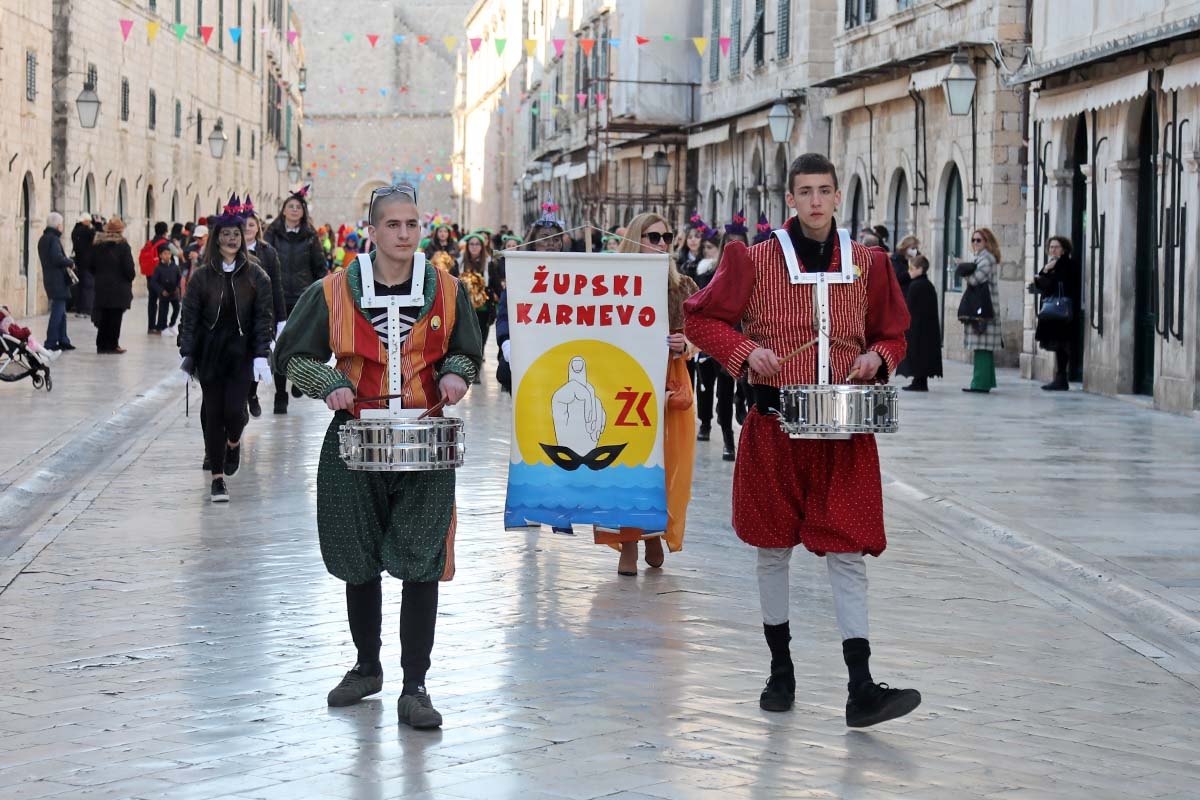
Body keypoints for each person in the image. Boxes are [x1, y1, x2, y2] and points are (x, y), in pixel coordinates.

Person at [684, 152, 920, 728]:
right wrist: (745, 354)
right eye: (805, 191)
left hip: (844, 431)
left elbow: (894, 334)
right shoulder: (754, 260)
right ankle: (780, 672)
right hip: (774, 426)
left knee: (847, 552)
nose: (815, 201)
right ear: (789, 199)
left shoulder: (869, 263)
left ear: (839, 197)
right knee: (772, 549)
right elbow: (699, 319)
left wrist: (877, 357)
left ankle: (861, 686)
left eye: (825, 191)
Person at [272, 184, 482, 730]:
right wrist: (326, 383)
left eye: (412, 224)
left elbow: (467, 349)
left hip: (425, 441)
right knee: (356, 555)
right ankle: (367, 666)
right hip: (354, 441)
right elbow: (291, 355)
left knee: (422, 561)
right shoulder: (333, 291)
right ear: (372, 230)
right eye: (393, 225)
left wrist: (459, 372)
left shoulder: (449, 291)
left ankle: (416, 685)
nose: (405, 234)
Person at [612, 212, 699, 576]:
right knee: (627, 464)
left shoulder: (683, 287)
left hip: (670, 381)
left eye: (666, 237)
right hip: (622, 381)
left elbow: (703, 335)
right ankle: (629, 542)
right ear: (636, 239)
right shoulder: (611, 284)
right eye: (652, 236)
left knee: (668, 463)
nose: (662, 243)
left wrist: (687, 344)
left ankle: (655, 533)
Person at [179, 197, 274, 502]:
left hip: (241, 353)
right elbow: (190, 315)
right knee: (214, 412)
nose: (232, 239)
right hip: (210, 353)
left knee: (235, 411)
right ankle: (217, 478)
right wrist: (187, 351)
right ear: (216, 238)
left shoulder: (256, 275)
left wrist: (262, 353)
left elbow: (263, 317)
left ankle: (234, 442)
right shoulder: (202, 276)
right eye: (226, 234)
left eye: (236, 234)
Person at [265, 188, 328, 414]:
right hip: (277, 296)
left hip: (303, 296)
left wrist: (324, 289)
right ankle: (280, 393)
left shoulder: (310, 237)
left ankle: (299, 381)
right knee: (280, 344)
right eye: (290, 206)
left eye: (297, 207)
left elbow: (319, 266)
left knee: (300, 344)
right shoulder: (271, 234)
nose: (293, 210)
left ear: (303, 212)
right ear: (283, 211)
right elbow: (265, 263)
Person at [494, 210, 568, 393]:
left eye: (556, 238)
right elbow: (504, 315)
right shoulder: (519, 273)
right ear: (534, 243)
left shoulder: (572, 274)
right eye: (544, 238)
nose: (551, 243)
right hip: (526, 353)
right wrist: (507, 343)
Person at [242, 200, 287, 418]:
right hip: (236, 314)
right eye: (242, 225)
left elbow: (276, 286)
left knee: (257, 355)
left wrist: (280, 319)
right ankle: (241, 397)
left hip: (260, 313)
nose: (246, 228)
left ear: (257, 227)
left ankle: (251, 393)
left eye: (251, 225)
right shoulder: (227, 250)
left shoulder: (268, 252)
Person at [1032, 235, 1079, 391]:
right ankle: (1060, 377)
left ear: (1064, 248)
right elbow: (1039, 282)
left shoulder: (1067, 264)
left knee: (1063, 344)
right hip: (1052, 310)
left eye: (1056, 247)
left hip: (1063, 310)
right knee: (1058, 344)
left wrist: (1051, 270)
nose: (1053, 249)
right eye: (1051, 247)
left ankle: (1062, 378)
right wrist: (1046, 269)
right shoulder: (1051, 264)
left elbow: (1062, 282)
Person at [959, 227, 1002, 393]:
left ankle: (979, 383)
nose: (975, 243)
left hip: (984, 310)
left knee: (982, 347)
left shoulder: (986, 258)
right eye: (973, 240)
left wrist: (963, 269)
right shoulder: (979, 258)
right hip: (983, 308)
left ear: (987, 242)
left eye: (979, 240)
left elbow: (976, 279)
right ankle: (986, 381)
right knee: (982, 347)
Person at [895, 255, 942, 391]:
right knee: (921, 355)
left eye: (912, 268)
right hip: (925, 328)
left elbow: (910, 308)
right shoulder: (927, 285)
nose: (909, 271)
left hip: (918, 328)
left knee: (917, 354)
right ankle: (919, 380)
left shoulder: (917, 286)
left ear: (920, 269)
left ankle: (919, 381)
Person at [90, 217, 137, 354]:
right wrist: (130, 277)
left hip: (102, 286)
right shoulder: (123, 246)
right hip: (119, 287)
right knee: (115, 316)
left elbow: (91, 265)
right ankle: (112, 344)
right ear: (120, 231)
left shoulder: (98, 245)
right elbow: (129, 268)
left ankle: (101, 345)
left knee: (104, 315)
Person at [38, 212, 76, 352]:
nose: (63, 227)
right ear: (58, 225)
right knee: (57, 311)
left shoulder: (43, 239)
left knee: (61, 311)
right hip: (57, 280)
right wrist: (70, 262)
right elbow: (57, 258)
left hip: (51, 279)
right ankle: (51, 341)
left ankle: (63, 339)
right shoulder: (53, 239)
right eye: (61, 224)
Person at [456, 233, 494, 359]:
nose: (474, 247)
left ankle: (479, 352)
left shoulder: (489, 263)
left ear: (482, 247)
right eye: (471, 244)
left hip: (483, 307)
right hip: (464, 306)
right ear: (467, 246)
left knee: (482, 331)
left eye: (477, 244)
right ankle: (468, 354)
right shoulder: (460, 262)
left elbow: (495, 283)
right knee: (466, 332)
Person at [140, 222, 171, 334]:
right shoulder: (165, 243)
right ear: (165, 231)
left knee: (152, 300)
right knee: (163, 300)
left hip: (150, 275)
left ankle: (151, 326)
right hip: (162, 276)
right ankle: (160, 325)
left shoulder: (150, 242)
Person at [150, 243, 183, 334]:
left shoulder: (175, 267)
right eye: (165, 253)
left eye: (169, 253)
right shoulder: (158, 268)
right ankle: (162, 327)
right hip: (164, 293)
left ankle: (172, 324)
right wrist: (161, 290)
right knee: (163, 311)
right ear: (160, 255)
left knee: (177, 308)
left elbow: (179, 278)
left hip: (174, 293)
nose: (167, 255)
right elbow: (153, 282)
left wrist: (178, 287)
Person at [71, 214, 96, 318]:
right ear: (85, 221)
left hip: (79, 262)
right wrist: (97, 224)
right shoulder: (86, 231)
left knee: (80, 287)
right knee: (88, 287)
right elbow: (95, 236)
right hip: (87, 264)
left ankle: (79, 309)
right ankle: (86, 310)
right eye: (89, 221)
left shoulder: (75, 231)